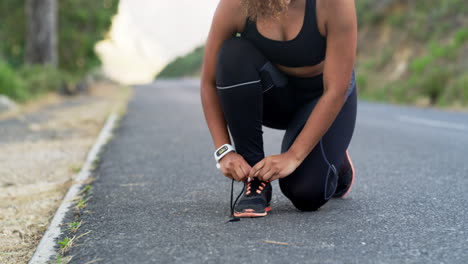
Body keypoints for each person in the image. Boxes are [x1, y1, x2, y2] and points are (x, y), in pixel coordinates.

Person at [200, 0, 358, 219]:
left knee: (305, 193)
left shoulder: (333, 4)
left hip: (322, 99)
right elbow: (209, 82)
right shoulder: (236, 4)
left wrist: (294, 156)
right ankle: (255, 180)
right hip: (274, 97)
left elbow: (336, 89)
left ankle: (335, 160)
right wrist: (223, 151)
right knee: (232, 54)